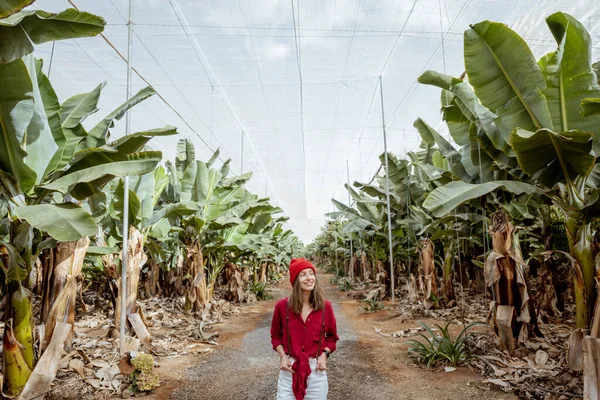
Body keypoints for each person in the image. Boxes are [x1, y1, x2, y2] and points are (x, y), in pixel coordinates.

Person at [270, 258, 339, 400]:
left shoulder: (325, 307)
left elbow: (332, 338)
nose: (309, 278)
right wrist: (283, 356)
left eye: (311, 273)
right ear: (295, 281)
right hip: (290, 369)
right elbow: (275, 337)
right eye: (303, 274)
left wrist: (324, 355)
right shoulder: (282, 307)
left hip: (316, 370)